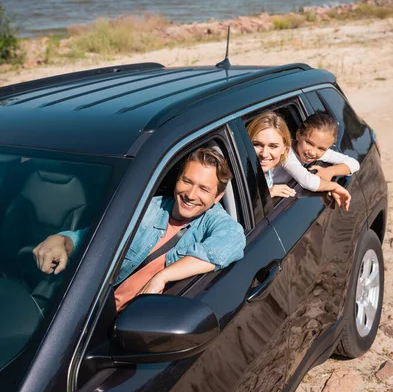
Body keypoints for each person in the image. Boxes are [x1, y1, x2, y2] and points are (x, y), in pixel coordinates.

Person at [33, 147, 246, 312]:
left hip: (132, 326)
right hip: (89, 311)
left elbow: (233, 242)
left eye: (204, 189)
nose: (190, 194)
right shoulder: (148, 208)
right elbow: (97, 237)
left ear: (217, 197)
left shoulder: (216, 223)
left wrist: (162, 276)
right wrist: (61, 239)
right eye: (187, 181)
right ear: (177, 179)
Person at [247, 111, 352, 209]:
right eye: (309, 143)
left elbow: (353, 163)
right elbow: (307, 181)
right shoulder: (288, 154)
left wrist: (330, 171)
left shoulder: (313, 152)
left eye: (321, 148)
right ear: (298, 135)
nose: (312, 152)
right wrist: (334, 186)